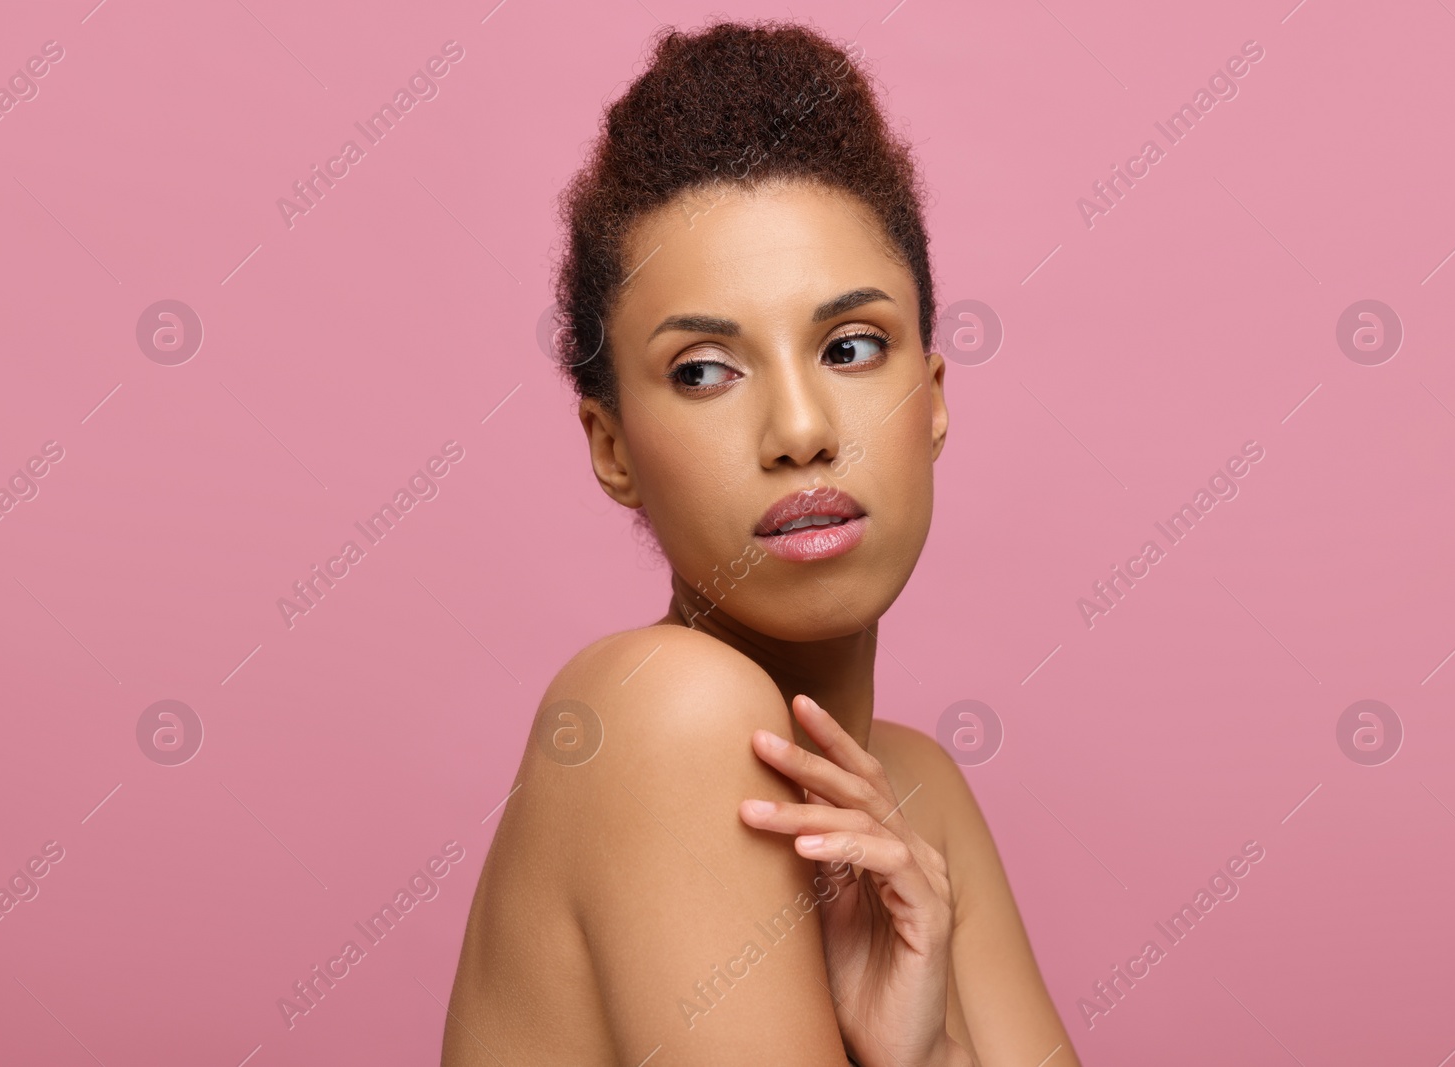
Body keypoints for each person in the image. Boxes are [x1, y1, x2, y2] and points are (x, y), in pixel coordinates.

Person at [442, 19, 1080, 1067]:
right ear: (610, 445)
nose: (799, 430)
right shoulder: (663, 711)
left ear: (930, 396)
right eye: (703, 368)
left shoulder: (913, 798)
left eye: (850, 346)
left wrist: (929, 1056)